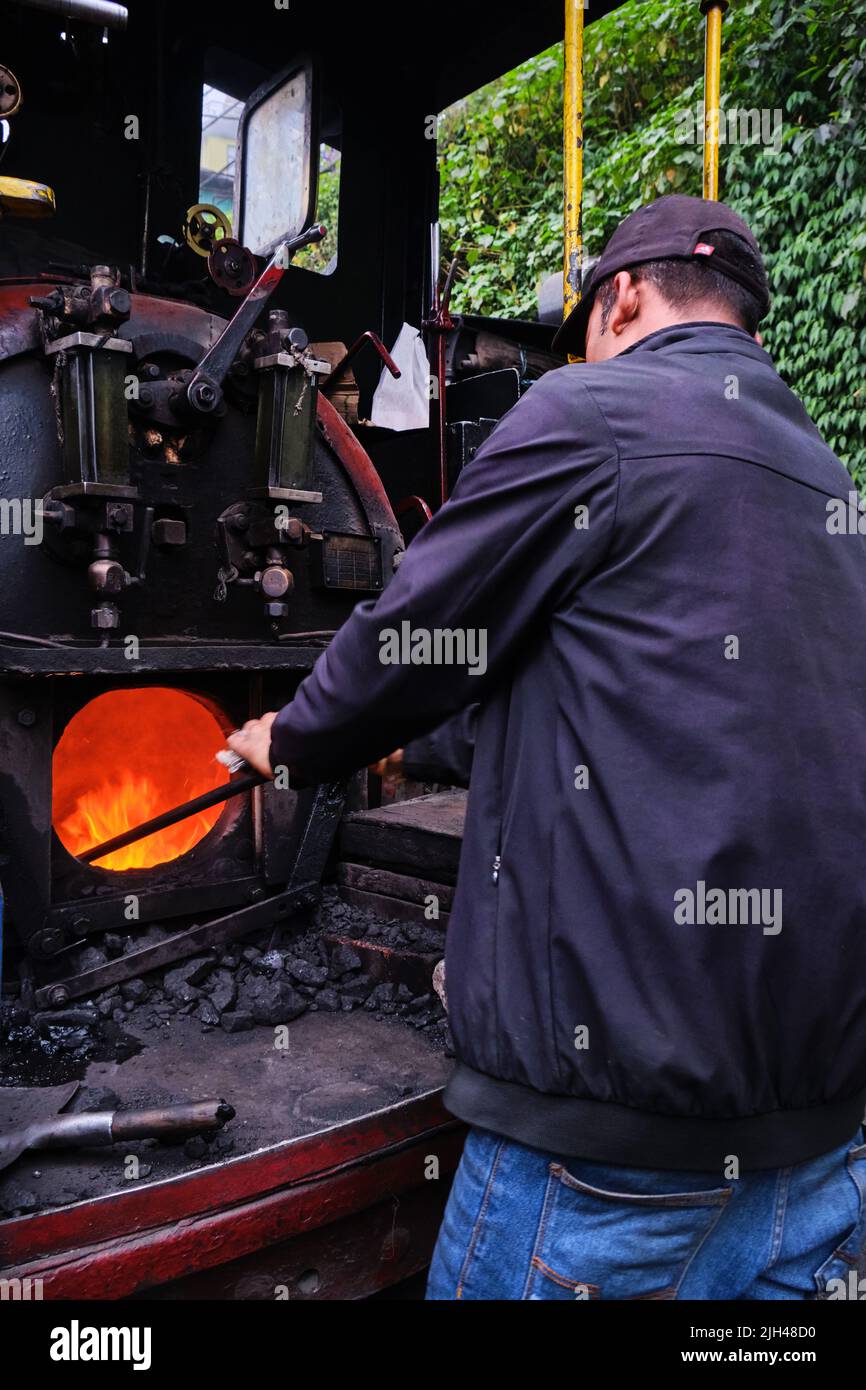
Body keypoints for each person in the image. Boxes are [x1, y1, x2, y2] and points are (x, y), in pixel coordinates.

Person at [229, 195, 866, 1300]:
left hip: (602, 1161)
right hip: (821, 1149)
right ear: (748, 328)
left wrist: (289, 738)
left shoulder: (592, 410)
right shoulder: (827, 479)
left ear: (620, 298)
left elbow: (418, 637)